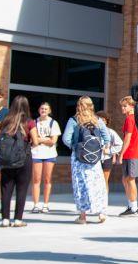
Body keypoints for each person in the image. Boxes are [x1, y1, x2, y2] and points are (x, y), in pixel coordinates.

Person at [62, 96, 111, 224]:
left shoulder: (74, 120)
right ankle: (101, 214)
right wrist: (102, 148)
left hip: (79, 159)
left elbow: (66, 139)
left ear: (78, 105)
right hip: (94, 159)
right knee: (98, 185)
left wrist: (75, 147)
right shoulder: (97, 120)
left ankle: (83, 216)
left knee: (81, 185)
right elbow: (107, 138)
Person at [0, 95, 36, 227]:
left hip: (7, 160)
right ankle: (18, 219)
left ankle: (5, 219)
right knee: (22, 189)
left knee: (6, 189)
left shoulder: (5, 121)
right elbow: (35, 142)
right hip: (24, 159)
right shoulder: (29, 122)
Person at [30, 102, 61, 213]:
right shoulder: (34, 122)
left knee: (47, 179)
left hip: (49, 154)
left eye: (46, 109)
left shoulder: (53, 123)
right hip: (36, 153)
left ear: (49, 111)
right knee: (36, 179)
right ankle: (36, 204)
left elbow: (53, 141)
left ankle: (46, 204)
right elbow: (33, 140)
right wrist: (44, 139)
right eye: (42, 108)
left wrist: (40, 139)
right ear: (39, 110)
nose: (43, 110)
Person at [118, 96, 138, 217]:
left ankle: (134, 208)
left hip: (132, 153)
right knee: (125, 179)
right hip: (132, 153)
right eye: (122, 106)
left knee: (130, 179)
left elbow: (127, 138)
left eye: (125, 106)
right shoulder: (136, 118)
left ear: (131, 106)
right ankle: (130, 205)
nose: (122, 108)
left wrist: (121, 154)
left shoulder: (130, 119)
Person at [96, 111, 123, 192]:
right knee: (95, 181)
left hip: (106, 159)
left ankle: (104, 201)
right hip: (94, 159)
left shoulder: (110, 132)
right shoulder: (93, 131)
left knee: (104, 181)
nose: (101, 121)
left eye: (103, 120)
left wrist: (109, 151)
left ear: (107, 121)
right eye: (99, 119)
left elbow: (119, 144)